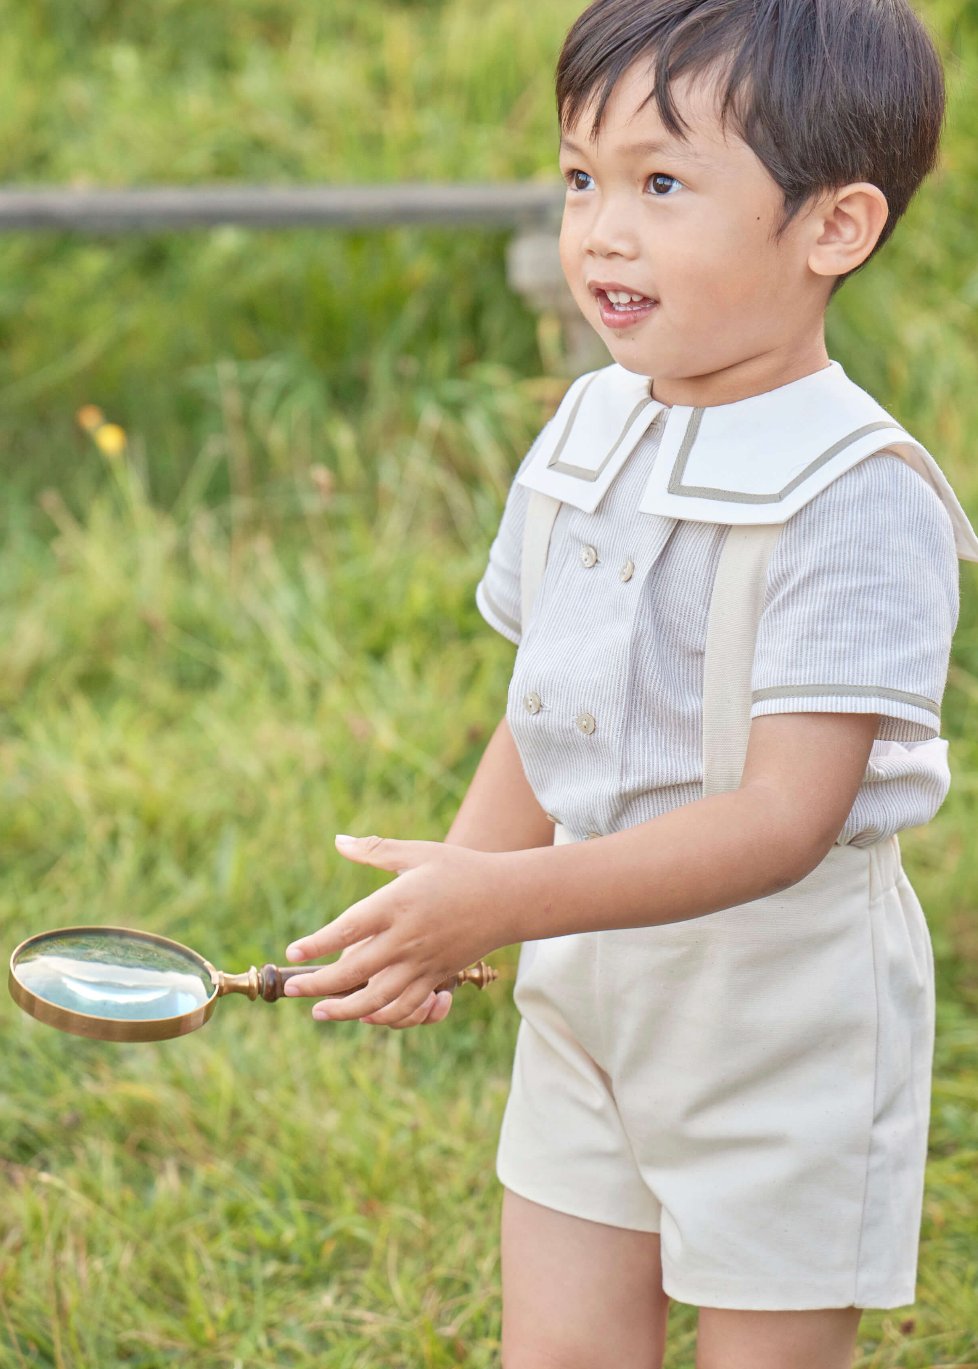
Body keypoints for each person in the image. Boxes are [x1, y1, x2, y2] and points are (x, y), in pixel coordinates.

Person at [282, 1, 978, 1364]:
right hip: (582, 982)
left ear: (832, 228)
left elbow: (783, 820)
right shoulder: (593, 419)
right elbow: (542, 697)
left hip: (781, 1013)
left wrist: (506, 896)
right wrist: (456, 907)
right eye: (579, 178)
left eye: (661, 184)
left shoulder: (856, 497)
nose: (601, 229)